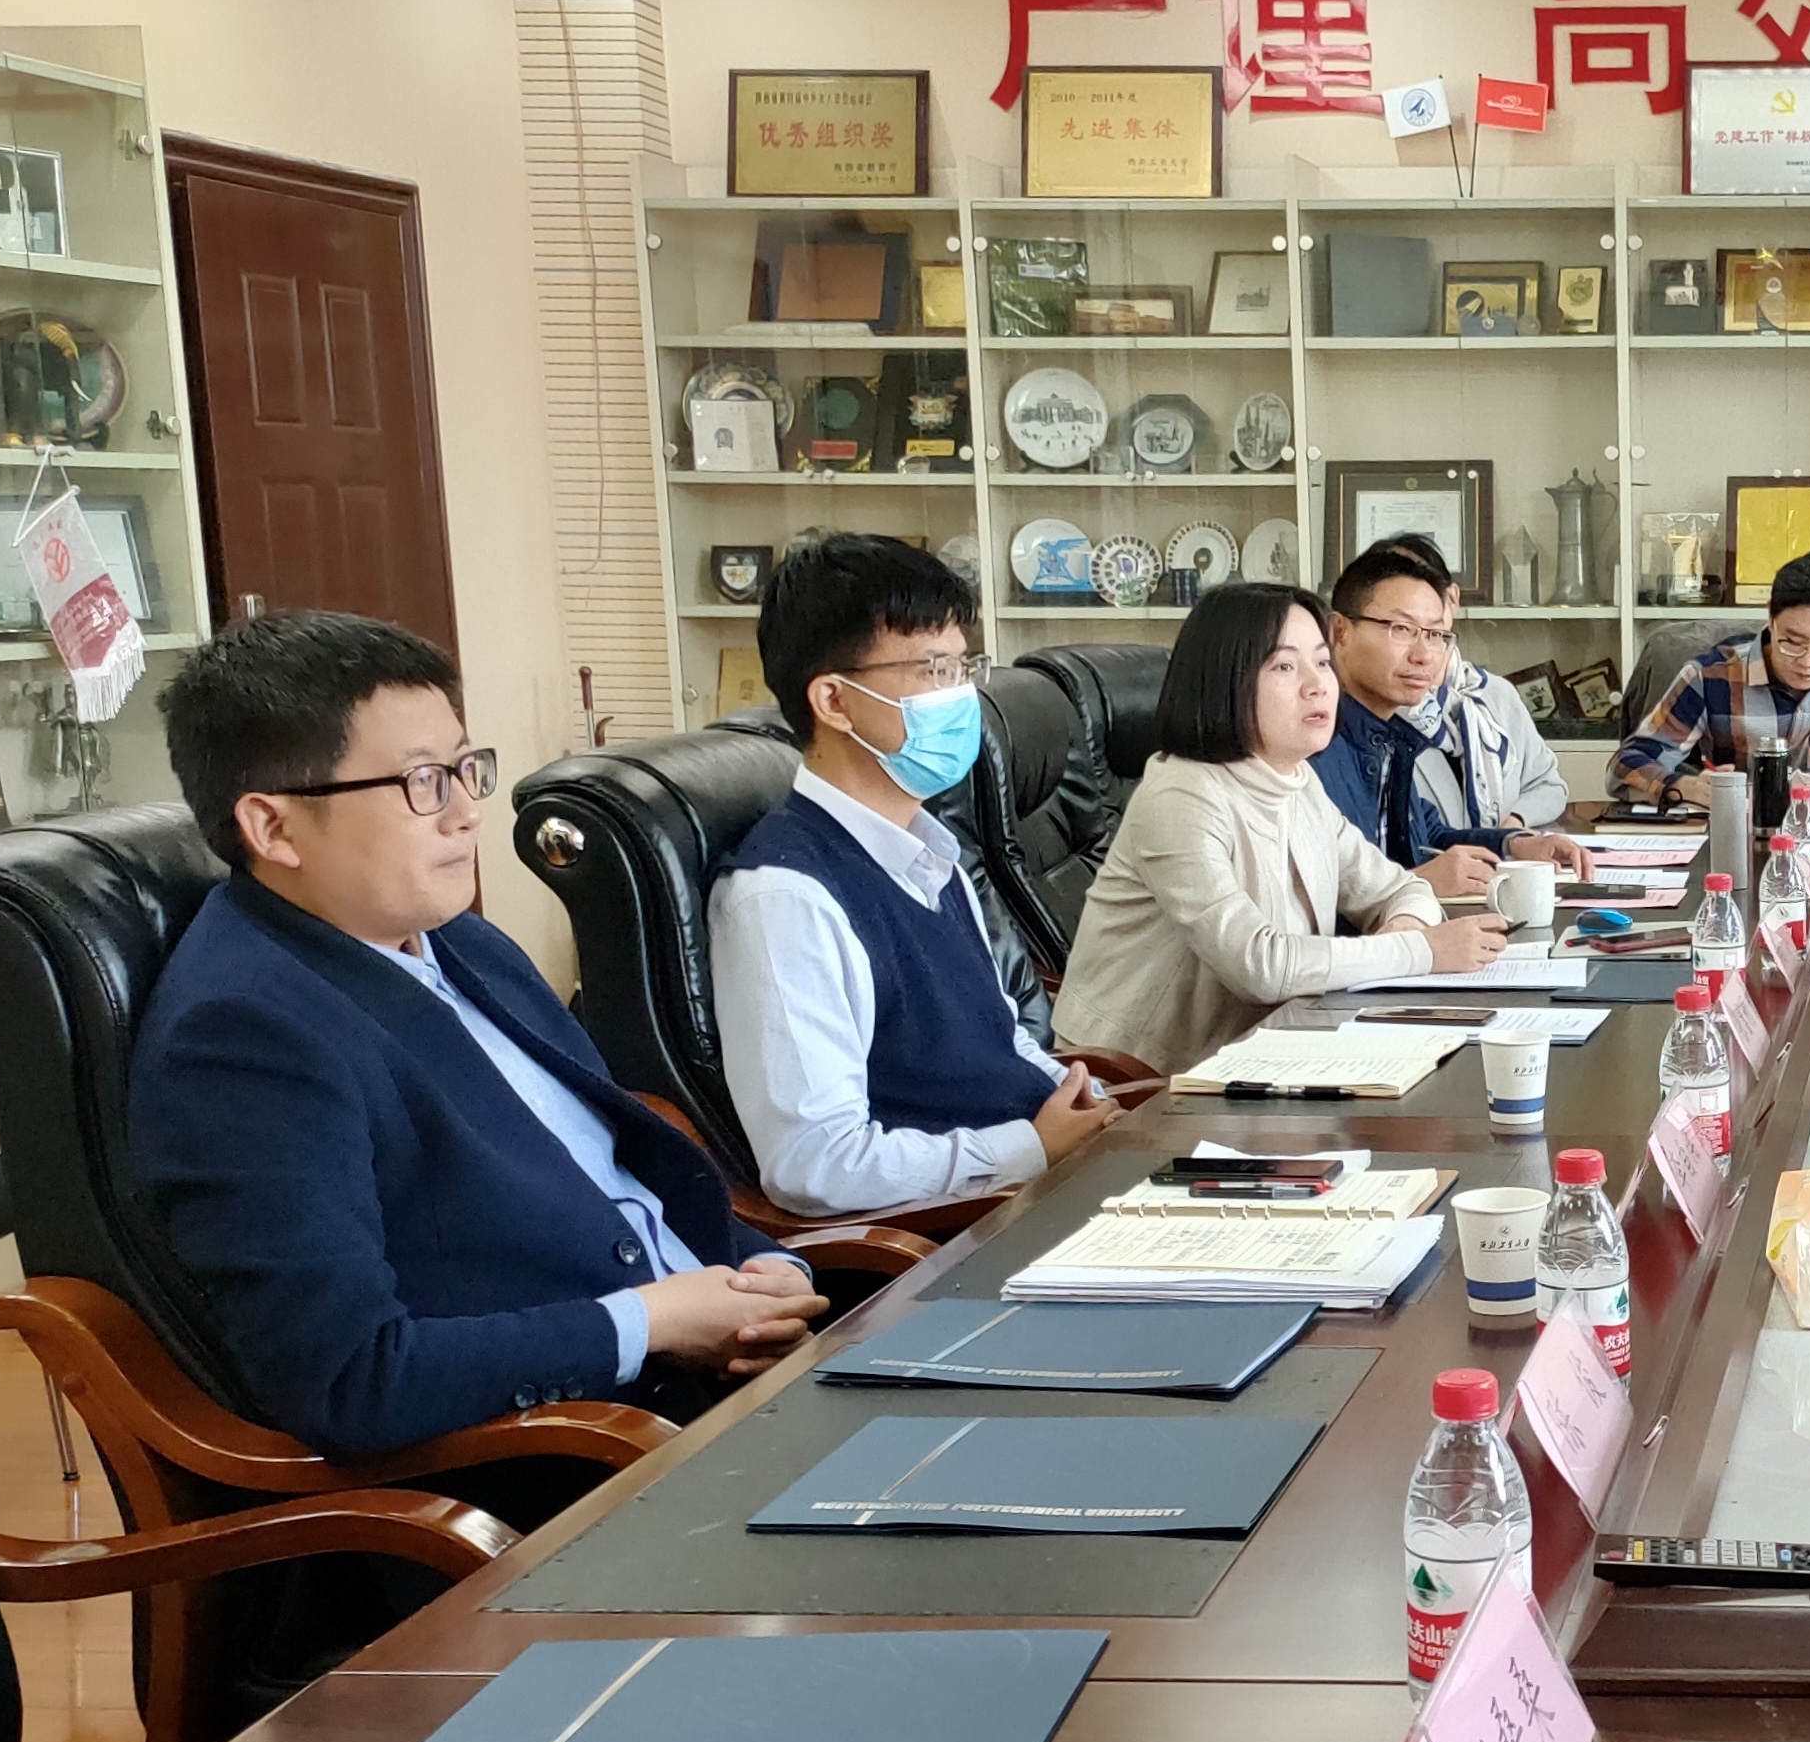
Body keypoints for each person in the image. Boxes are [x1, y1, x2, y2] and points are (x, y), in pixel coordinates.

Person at [136, 611, 827, 1464]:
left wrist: (769, 1275)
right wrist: (649, 1322)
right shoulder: (242, 1038)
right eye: (422, 782)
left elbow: (609, 1182)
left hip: (728, 1386)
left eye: (466, 769)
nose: (466, 814)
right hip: (593, 1458)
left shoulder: (463, 942)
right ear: (272, 829)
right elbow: (350, 1377)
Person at [705, 534, 1119, 1221]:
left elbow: (1000, 1039)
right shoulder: (784, 897)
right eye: (933, 671)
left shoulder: (930, 851)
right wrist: (1029, 1148)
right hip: (964, 1232)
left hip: (1044, 1187)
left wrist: (1082, 1101)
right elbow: (813, 1164)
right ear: (834, 701)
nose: (961, 697)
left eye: (963, 667)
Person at [1053, 583, 1505, 1074]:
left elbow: (1401, 889)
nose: (1317, 686)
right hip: (1136, 1082)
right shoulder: (1180, 796)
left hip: (1268, 1052)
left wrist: (1402, 934)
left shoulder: (1296, 780)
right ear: (1225, 682)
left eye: (1322, 662)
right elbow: (1260, 966)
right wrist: (1418, 950)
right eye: (1285, 667)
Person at [1311, 538, 1590, 900]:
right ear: (1339, 633)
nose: (1424, 655)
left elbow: (1428, 834)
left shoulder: (1390, 738)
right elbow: (1315, 898)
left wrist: (1515, 845)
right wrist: (1419, 882)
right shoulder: (1314, 744)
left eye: (1435, 635)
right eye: (1402, 629)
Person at [1611, 552, 1810, 803]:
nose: (1807, 662)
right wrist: (1685, 786)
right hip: (1738, 835)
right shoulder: (1712, 675)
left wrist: (1777, 794)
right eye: (1792, 642)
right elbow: (1624, 767)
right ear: (1771, 618)